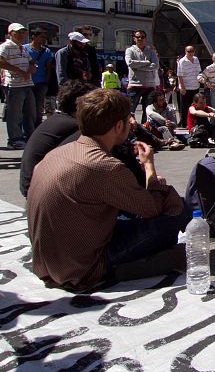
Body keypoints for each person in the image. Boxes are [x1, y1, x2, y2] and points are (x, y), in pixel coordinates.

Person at [26, 88, 192, 290]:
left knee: (131, 212)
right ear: (119, 125)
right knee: (176, 213)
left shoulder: (58, 152)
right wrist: (149, 167)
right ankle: (126, 269)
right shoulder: (104, 166)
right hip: (83, 267)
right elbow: (152, 208)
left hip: (49, 261)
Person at [20, 80, 96, 197]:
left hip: (32, 187)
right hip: (42, 191)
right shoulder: (76, 127)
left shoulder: (58, 120)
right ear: (81, 105)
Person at [0, 23, 36, 149]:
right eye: (18, 32)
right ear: (10, 33)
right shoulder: (6, 46)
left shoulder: (23, 48)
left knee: (30, 112)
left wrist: (32, 67)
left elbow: (31, 61)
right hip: (14, 85)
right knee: (15, 114)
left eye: (23, 32)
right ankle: (14, 139)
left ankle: (27, 136)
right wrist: (19, 71)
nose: (21, 35)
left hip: (27, 83)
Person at [124, 29, 159, 124]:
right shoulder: (130, 50)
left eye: (142, 37)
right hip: (135, 85)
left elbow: (155, 65)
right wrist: (147, 63)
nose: (140, 39)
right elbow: (130, 63)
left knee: (148, 112)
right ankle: (130, 129)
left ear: (145, 38)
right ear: (134, 39)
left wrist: (139, 67)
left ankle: (144, 129)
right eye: (138, 37)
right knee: (130, 111)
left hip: (150, 86)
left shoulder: (151, 51)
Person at [24, 28, 54, 128]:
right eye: (41, 37)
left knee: (39, 108)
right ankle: (28, 129)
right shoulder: (24, 49)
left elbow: (48, 67)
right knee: (29, 108)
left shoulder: (47, 51)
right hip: (27, 82)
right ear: (33, 36)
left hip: (41, 83)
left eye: (45, 37)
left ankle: (37, 127)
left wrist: (46, 82)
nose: (44, 39)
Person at [176, 45, 202, 128]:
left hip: (195, 86)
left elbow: (198, 71)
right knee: (185, 107)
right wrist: (182, 87)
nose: (190, 53)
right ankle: (184, 123)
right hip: (186, 86)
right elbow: (179, 75)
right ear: (185, 52)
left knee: (195, 105)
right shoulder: (182, 61)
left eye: (192, 51)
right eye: (188, 51)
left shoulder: (196, 59)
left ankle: (194, 122)